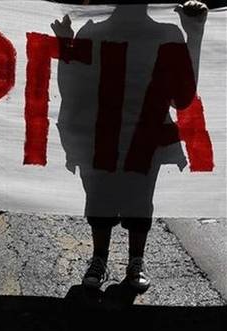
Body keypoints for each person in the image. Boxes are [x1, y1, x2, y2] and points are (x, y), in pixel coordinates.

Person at [53, 0, 209, 294]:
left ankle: (134, 262)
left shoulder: (165, 35)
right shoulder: (93, 34)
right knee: (100, 200)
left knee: (137, 202)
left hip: (144, 138)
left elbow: (183, 97)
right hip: (101, 136)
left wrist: (194, 35)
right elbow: (73, 90)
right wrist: (65, 47)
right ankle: (100, 260)